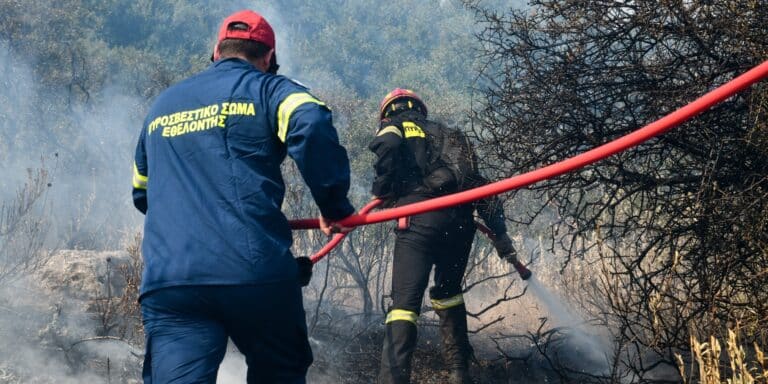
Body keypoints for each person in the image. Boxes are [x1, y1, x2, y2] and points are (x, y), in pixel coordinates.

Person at [131, 9, 355, 383]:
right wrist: (334, 206)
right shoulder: (271, 90)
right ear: (268, 59)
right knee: (280, 370)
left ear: (216, 52)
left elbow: (142, 193)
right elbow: (311, 123)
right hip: (253, 274)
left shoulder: (161, 106)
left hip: (172, 282)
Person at [369, 88, 531, 384]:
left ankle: (392, 379)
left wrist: (382, 189)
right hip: (460, 224)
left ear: (388, 111)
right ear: (421, 107)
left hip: (419, 221)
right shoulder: (451, 135)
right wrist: (501, 233)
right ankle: (459, 373)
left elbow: (387, 145)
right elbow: (482, 187)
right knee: (449, 293)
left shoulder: (395, 125)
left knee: (404, 307)